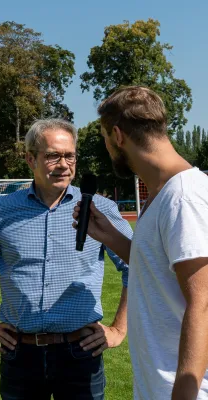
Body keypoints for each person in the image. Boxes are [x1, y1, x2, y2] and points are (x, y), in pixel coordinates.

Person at [0, 118, 134, 399]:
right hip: (20, 354)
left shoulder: (100, 208)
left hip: (81, 353)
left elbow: (135, 266)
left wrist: (119, 329)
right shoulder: (1, 210)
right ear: (30, 159)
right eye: (52, 155)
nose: (63, 164)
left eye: (69, 156)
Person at [72, 86, 208, 400]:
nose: (107, 148)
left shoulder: (184, 197)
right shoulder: (161, 194)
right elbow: (161, 268)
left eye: (105, 139)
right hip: (157, 385)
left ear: (117, 135)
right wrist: (111, 236)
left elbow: (202, 303)